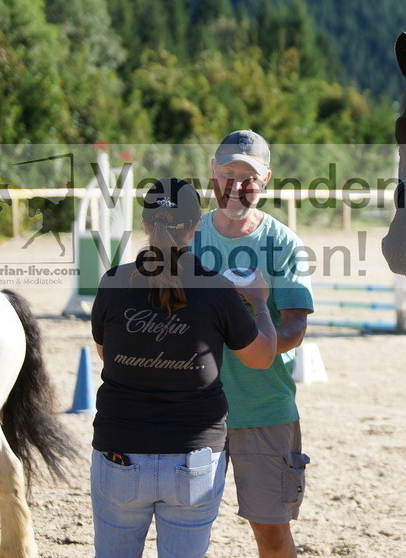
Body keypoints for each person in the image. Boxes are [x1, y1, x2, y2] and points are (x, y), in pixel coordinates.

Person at [90, 178, 277, 558]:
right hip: (192, 459)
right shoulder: (219, 289)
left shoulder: (113, 282)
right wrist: (258, 303)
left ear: (144, 225)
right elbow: (262, 357)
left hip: (119, 451)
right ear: (197, 225)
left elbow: (105, 353)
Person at [192, 129, 314, 558]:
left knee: (271, 534)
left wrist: (248, 346)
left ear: (267, 180)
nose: (237, 185)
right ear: (213, 173)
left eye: (249, 177)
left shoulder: (283, 244)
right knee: (184, 531)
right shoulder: (187, 238)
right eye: (228, 173)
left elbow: (295, 329)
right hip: (190, 412)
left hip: (263, 410)